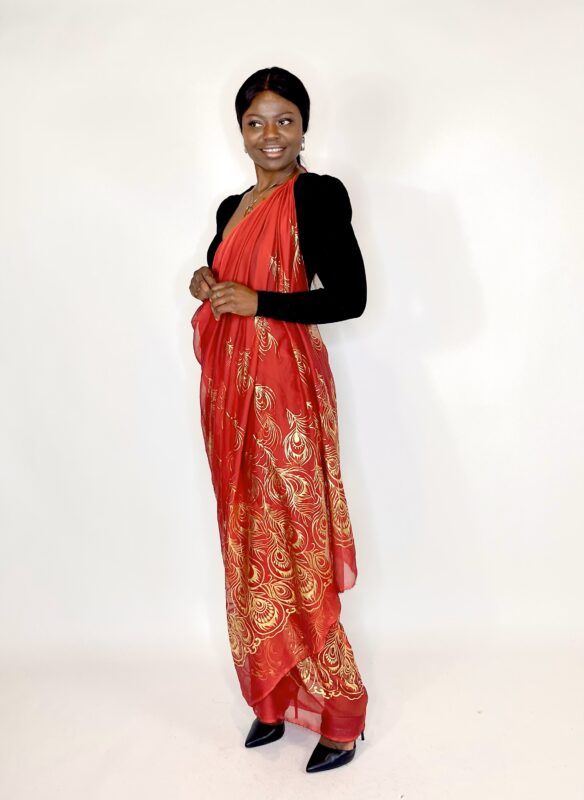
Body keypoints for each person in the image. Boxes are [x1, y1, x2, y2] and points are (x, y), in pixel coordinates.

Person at [190, 66, 368, 773]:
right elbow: (222, 280)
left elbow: (349, 297)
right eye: (257, 121)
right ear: (240, 129)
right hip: (230, 396)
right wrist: (206, 284)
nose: (271, 135)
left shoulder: (318, 196)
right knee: (247, 532)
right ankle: (277, 691)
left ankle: (342, 715)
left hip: (286, 391)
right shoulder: (231, 206)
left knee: (295, 537)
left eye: (284, 121)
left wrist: (259, 302)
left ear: (304, 127)